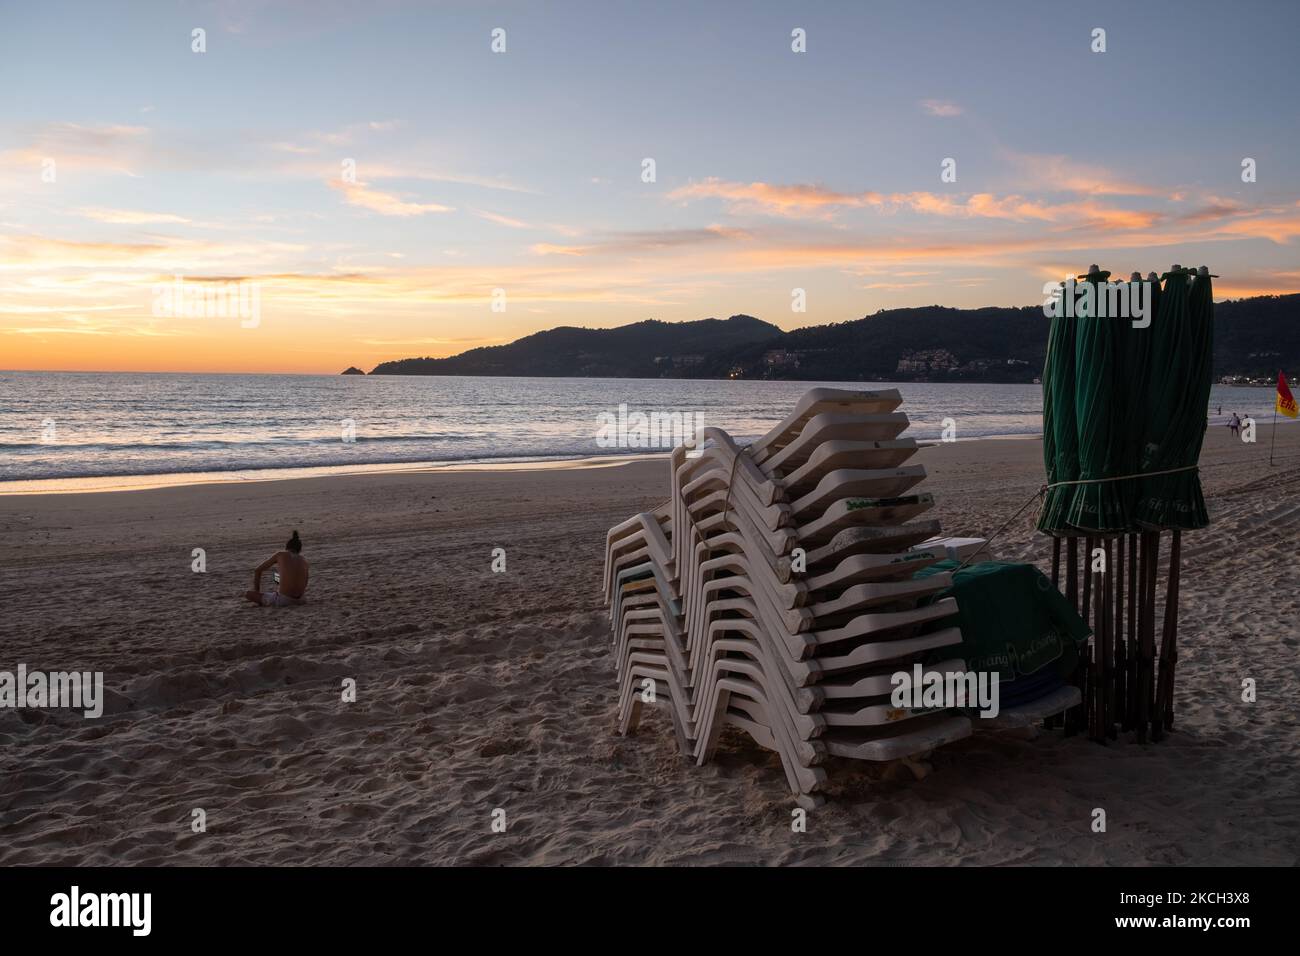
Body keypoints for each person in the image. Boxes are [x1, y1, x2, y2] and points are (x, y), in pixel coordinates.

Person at [244, 530, 309, 606]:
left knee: (248, 594)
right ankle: (277, 589)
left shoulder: (280, 554)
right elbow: (305, 583)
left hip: (284, 600)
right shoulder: (304, 560)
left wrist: (256, 591)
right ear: (299, 550)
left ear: (286, 547)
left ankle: (265, 596)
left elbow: (258, 570)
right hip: (301, 600)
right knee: (276, 574)